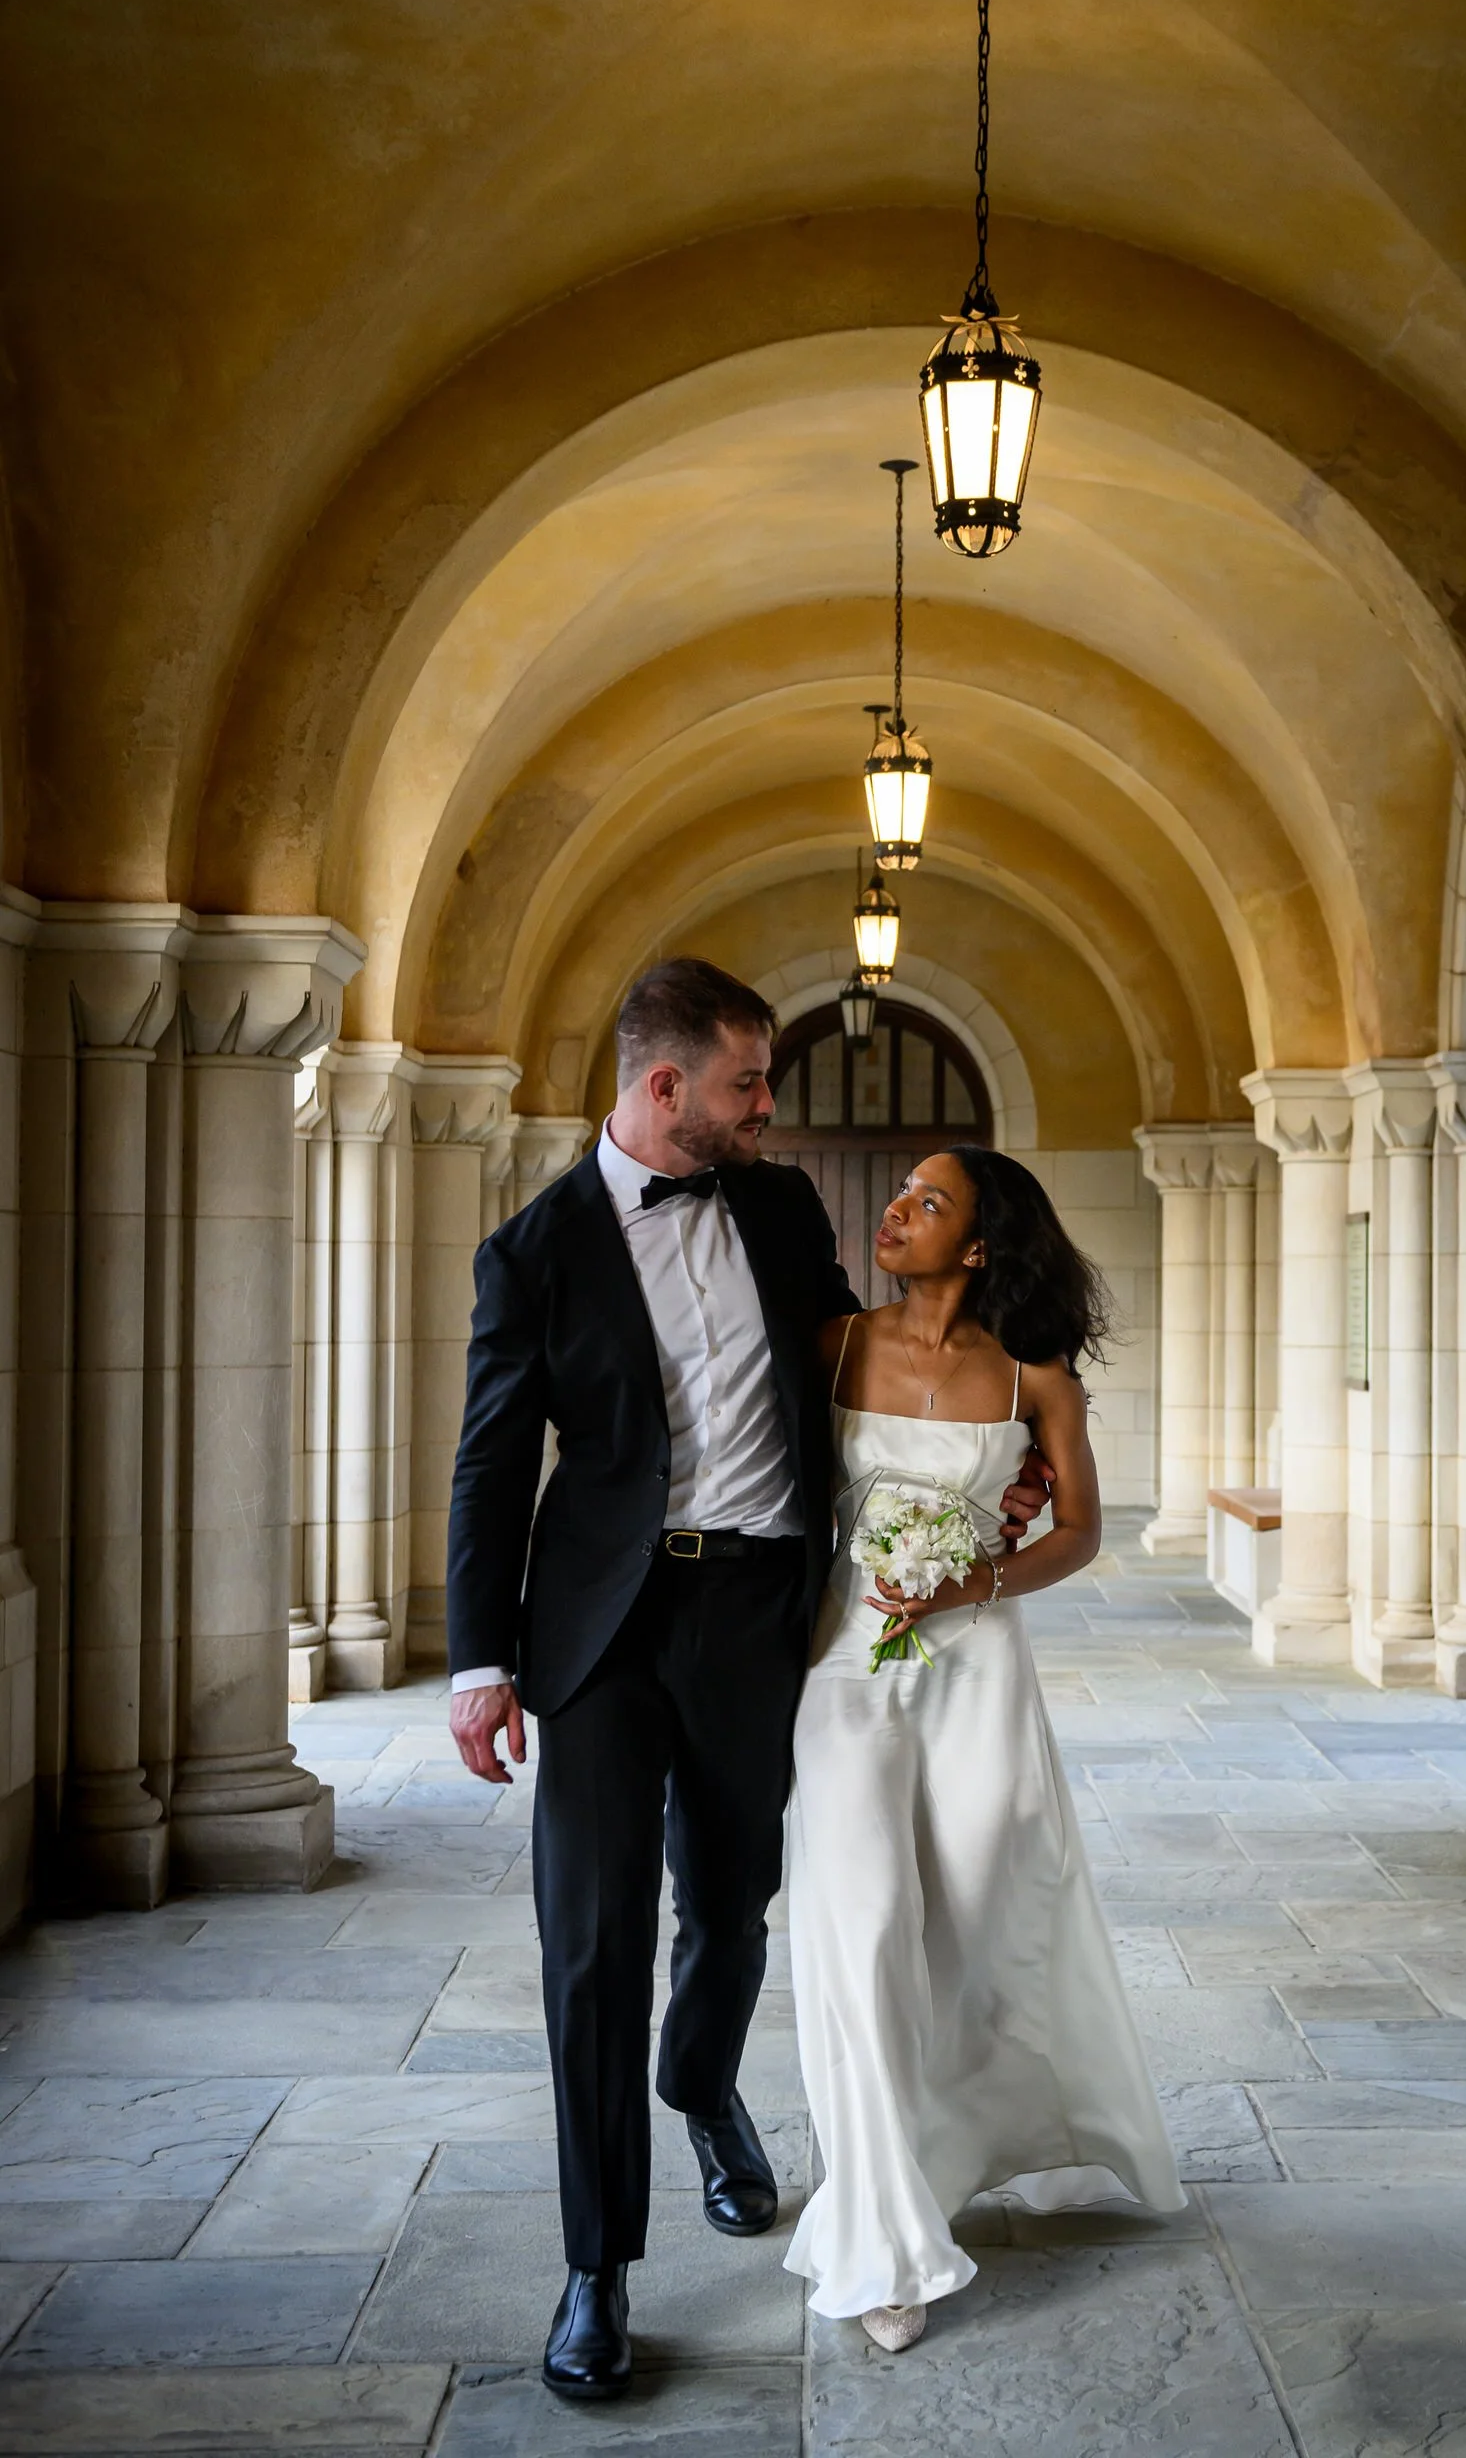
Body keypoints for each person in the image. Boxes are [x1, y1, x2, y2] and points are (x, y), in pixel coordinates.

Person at [443, 961, 1047, 2403]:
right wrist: (479, 1662)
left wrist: (988, 1477)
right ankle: (598, 2266)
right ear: (667, 1091)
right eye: (747, 1086)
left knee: (728, 1902)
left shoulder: (776, 1208)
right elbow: (488, 1463)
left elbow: (865, 1363)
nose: (768, 1107)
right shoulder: (531, 1252)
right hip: (594, 1632)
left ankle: (702, 2084)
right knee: (591, 1941)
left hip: (761, 1614)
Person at [784, 1146, 1186, 2351]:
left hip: (978, 1673)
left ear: (978, 1245)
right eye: (898, 1195)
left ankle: (950, 2149)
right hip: (842, 1665)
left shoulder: (1033, 1378)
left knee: (974, 1925)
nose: (894, 1212)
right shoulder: (836, 1346)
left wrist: (975, 1580)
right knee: (856, 1932)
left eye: (927, 1202)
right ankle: (882, 2241)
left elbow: (1080, 1531)